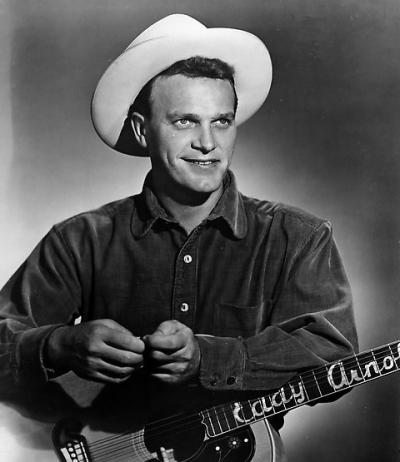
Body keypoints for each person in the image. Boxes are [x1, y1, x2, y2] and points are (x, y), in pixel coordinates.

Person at [0, 13, 358, 459]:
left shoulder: (298, 237)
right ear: (141, 130)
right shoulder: (79, 240)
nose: (208, 143)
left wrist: (208, 359)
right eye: (185, 121)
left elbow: (332, 354)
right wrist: (57, 345)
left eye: (222, 121)